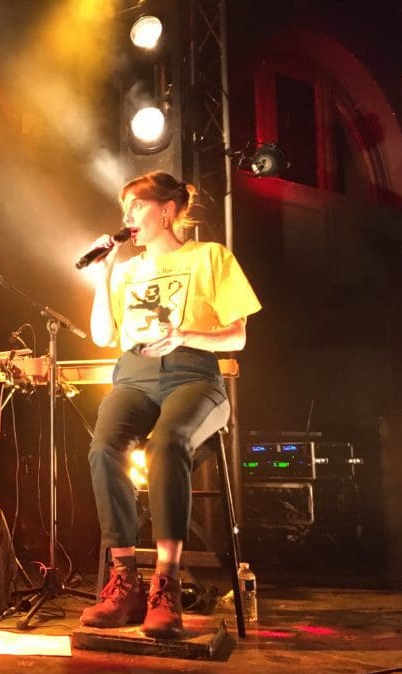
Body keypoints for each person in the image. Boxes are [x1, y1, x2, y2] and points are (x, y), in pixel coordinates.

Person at [79, 171, 261, 638]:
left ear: (166, 209)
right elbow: (103, 336)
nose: (128, 218)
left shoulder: (209, 257)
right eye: (125, 211)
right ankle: (124, 581)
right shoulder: (126, 269)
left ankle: (167, 583)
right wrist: (104, 273)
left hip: (194, 374)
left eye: (136, 206)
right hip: (136, 376)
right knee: (104, 448)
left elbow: (238, 335)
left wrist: (183, 334)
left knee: (167, 442)